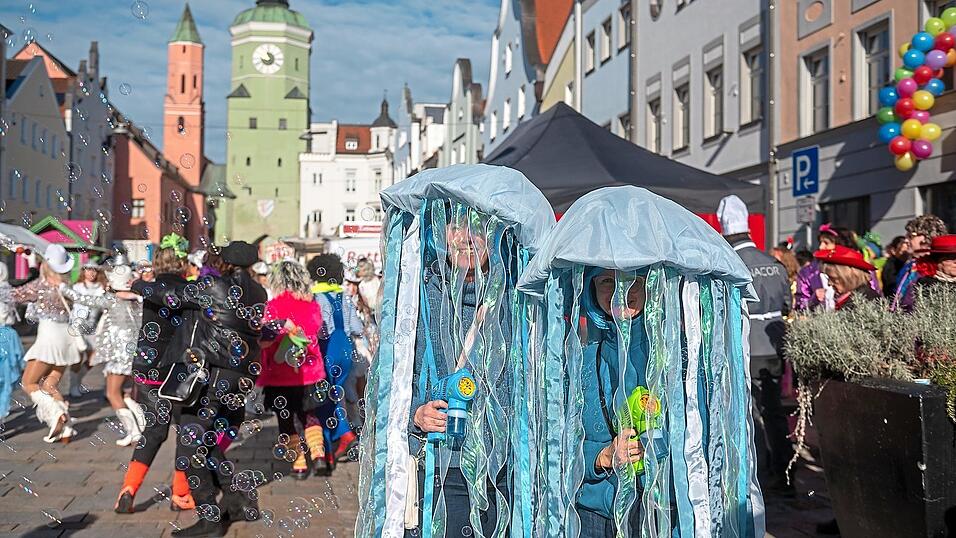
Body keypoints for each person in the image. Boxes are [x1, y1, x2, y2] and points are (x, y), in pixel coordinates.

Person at [516, 186, 764, 537]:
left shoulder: (683, 358)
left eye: (634, 281)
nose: (621, 292)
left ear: (654, 287)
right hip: (593, 515)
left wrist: (657, 452)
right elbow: (553, 439)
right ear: (590, 289)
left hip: (662, 512)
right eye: (607, 281)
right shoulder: (577, 358)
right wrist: (601, 456)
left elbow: (706, 439)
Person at [356, 165, 555, 538]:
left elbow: (540, 381)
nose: (465, 237)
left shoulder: (521, 301)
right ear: (441, 231)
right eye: (456, 225)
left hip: (505, 469)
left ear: (496, 234)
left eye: (478, 227)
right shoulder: (415, 301)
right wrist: (416, 413)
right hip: (440, 467)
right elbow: (391, 383)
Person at [159, 241, 267, 537]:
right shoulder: (259, 291)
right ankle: (236, 499)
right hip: (240, 375)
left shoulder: (214, 285)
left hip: (214, 373)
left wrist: (142, 284)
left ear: (226, 261)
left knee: (190, 446)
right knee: (206, 443)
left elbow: (171, 296)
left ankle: (210, 520)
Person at [718, 195, 795, 494]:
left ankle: (757, 474)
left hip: (745, 347)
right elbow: (787, 305)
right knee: (774, 411)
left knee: (747, 413)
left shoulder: (730, 264)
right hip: (774, 347)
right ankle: (784, 471)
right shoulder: (775, 264)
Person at [115, 233, 194, 513]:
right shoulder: (190, 291)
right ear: (183, 263)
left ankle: (128, 489)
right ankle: (181, 494)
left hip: (147, 369)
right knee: (187, 429)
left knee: (154, 430)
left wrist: (139, 284)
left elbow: (151, 291)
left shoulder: (149, 288)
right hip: (178, 371)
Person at [62, 255, 145, 447]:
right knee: (125, 393)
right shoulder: (139, 300)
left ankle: (133, 432)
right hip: (134, 353)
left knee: (112, 393)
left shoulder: (112, 300)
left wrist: (63, 288)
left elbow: (84, 299)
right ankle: (142, 424)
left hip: (119, 355)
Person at [258, 259, 327, 480]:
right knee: (309, 414)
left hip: (279, 375)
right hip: (309, 372)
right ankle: (318, 455)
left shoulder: (272, 308)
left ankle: (299, 464)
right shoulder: (312, 306)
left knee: (285, 417)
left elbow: (265, 340)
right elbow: (317, 330)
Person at [11, 244, 79, 443]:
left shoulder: (41, 285)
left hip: (49, 337)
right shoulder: (67, 286)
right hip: (66, 339)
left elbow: (13, 295)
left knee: (28, 383)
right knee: (50, 385)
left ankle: (57, 414)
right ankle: (66, 429)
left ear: (46, 265)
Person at [307, 253, 363, 472]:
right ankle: (337, 442)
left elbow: (317, 329)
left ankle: (339, 439)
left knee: (323, 398)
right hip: (345, 349)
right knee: (335, 395)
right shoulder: (344, 296)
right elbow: (357, 328)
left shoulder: (316, 298)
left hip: (327, 348)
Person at [795, 224, 857, 311]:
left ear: (839, 245)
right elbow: (800, 306)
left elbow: (871, 296)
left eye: (826, 243)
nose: (821, 247)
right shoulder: (808, 272)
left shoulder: (855, 268)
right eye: (820, 243)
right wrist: (814, 299)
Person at [894, 214, 948, 311]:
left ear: (927, 237)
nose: (906, 240)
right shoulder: (909, 266)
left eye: (911, 236)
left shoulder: (939, 267)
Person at [814, 246, 880, 310]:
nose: (829, 283)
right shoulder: (848, 298)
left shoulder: (866, 303)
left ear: (849, 277)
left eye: (833, 279)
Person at [0, 264, 25, 420]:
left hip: (4, 335)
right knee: (4, 377)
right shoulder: (8, 290)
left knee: (4, 376)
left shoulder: (5, 290)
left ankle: (1, 411)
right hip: (7, 335)